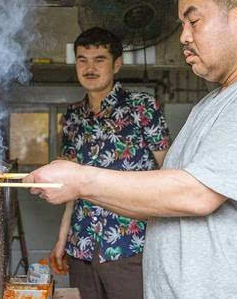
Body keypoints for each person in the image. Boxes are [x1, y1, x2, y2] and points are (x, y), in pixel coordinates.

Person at [27, 0, 237, 298]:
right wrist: (77, 191)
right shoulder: (212, 103)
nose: (183, 37)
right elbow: (162, 196)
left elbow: (197, 194)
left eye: (193, 21)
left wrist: (81, 179)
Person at [49, 27, 170, 299]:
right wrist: (62, 239)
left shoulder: (142, 107)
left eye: (99, 59)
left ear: (116, 64)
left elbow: (168, 171)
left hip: (130, 244)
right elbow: (71, 185)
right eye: (82, 59)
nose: (89, 67)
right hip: (80, 246)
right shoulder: (72, 117)